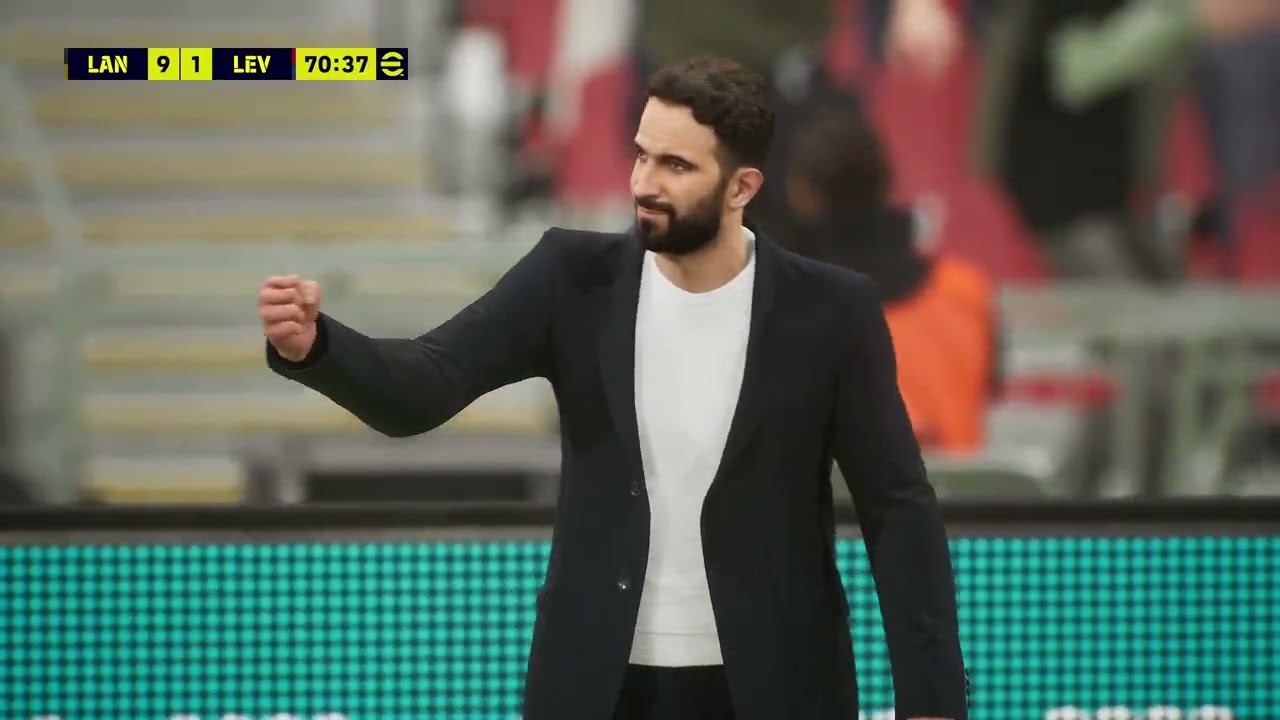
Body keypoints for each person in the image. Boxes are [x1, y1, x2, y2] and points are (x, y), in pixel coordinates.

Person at [260, 56, 967, 720]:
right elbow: (424, 386)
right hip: (598, 685)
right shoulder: (570, 278)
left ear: (742, 188)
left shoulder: (832, 310)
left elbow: (897, 508)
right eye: (641, 154)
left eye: (676, 165)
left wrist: (931, 699)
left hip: (779, 685)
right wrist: (318, 348)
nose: (644, 183)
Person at [785, 108, 997, 453]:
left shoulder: (782, 304)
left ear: (802, 194)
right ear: (886, 184)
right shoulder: (966, 291)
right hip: (953, 487)